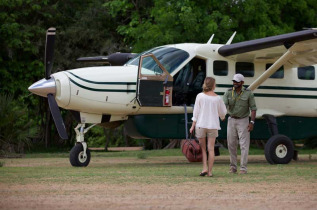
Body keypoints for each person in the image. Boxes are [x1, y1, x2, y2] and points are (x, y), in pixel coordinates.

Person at [190, 77, 227, 177]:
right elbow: (223, 112)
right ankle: (210, 172)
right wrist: (222, 117)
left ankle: (204, 168)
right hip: (213, 126)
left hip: (201, 125)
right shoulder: (218, 98)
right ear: (213, 85)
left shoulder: (200, 96)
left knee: (203, 149)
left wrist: (192, 125)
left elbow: (196, 112)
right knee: (211, 149)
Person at [223, 74, 257, 174]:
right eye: (234, 81)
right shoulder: (228, 92)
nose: (235, 83)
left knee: (244, 145)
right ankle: (233, 167)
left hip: (243, 120)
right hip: (231, 120)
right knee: (231, 144)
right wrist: (222, 115)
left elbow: (253, 109)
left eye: (237, 82)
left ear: (242, 83)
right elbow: (223, 105)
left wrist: (252, 122)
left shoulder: (248, 93)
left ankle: (243, 168)